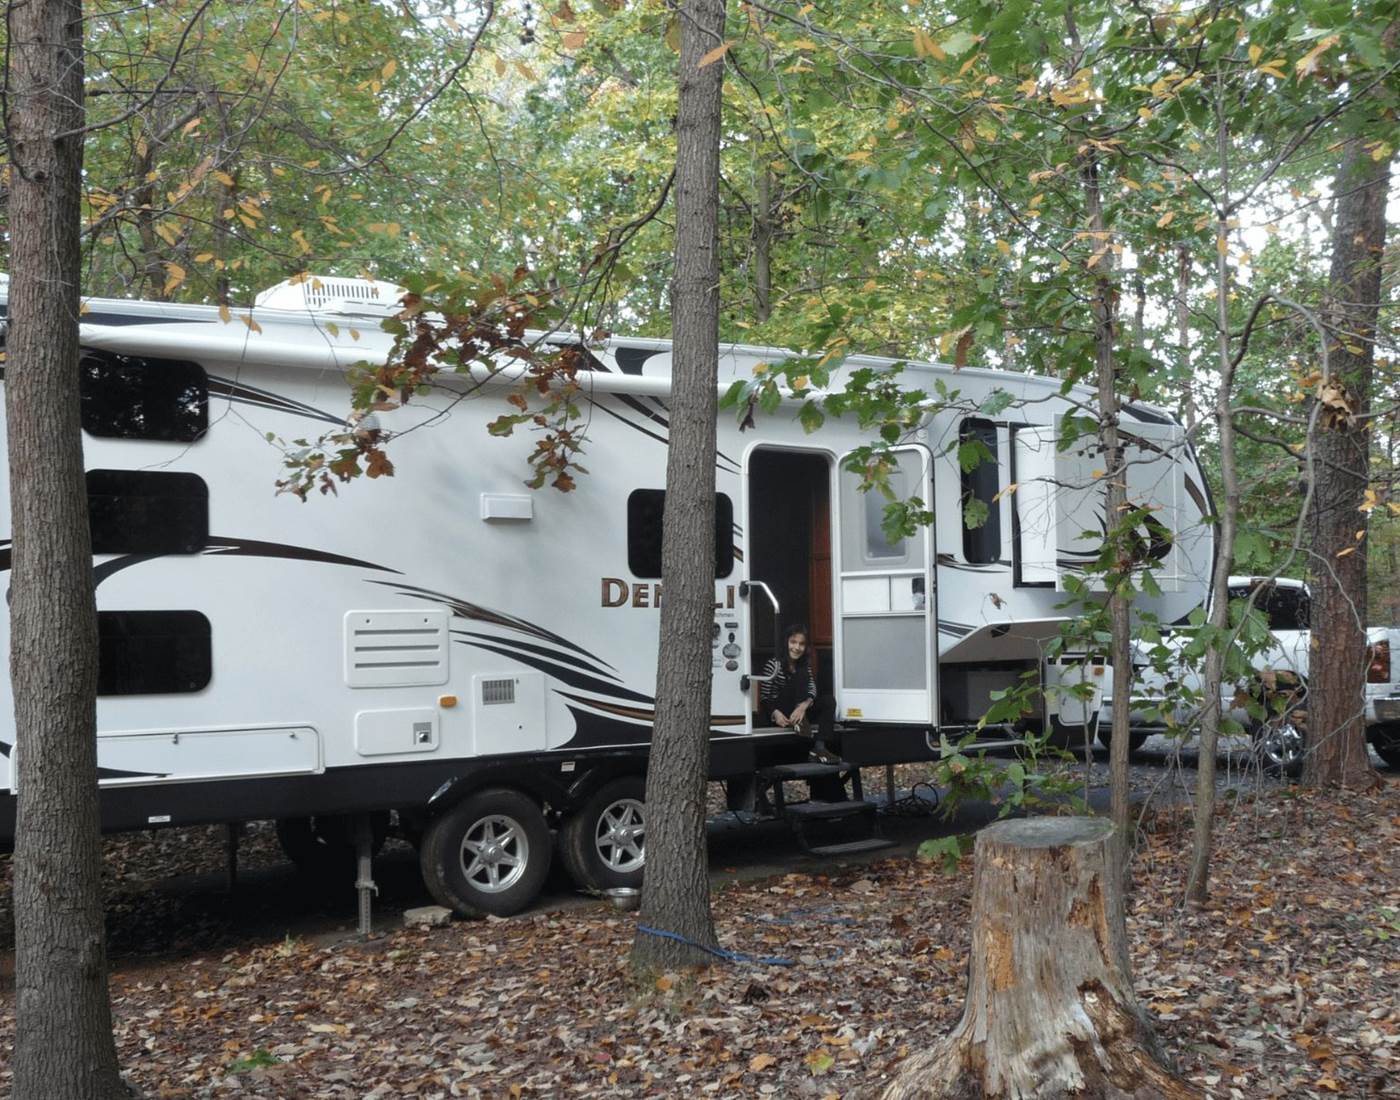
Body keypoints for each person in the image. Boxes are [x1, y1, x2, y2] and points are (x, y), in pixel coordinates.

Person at [761, 624, 839, 763]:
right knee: (800, 676)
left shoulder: (804, 665)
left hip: (799, 710)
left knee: (828, 700)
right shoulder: (774, 664)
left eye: (801, 644)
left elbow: (812, 689)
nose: (797, 648)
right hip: (782, 712)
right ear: (786, 642)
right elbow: (765, 697)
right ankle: (801, 723)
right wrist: (775, 713)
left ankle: (819, 748)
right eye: (793, 642)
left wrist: (803, 706)